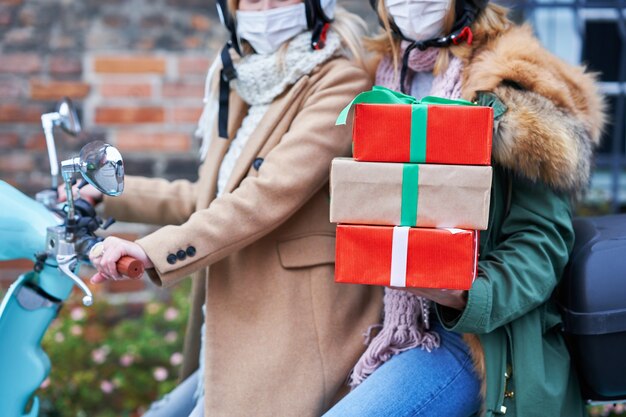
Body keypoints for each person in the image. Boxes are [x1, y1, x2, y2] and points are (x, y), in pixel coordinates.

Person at [72, 0, 383, 415]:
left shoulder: (343, 82)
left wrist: (152, 249)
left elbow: (267, 194)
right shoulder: (241, 81)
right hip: (231, 323)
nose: (267, 5)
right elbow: (209, 198)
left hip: (291, 328)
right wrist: (106, 192)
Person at [323, 0, 605, 416]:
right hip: (388, 323)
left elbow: (542, 243)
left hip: (474, 338)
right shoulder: (377, 76)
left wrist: (467, 294)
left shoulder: (510, 85)